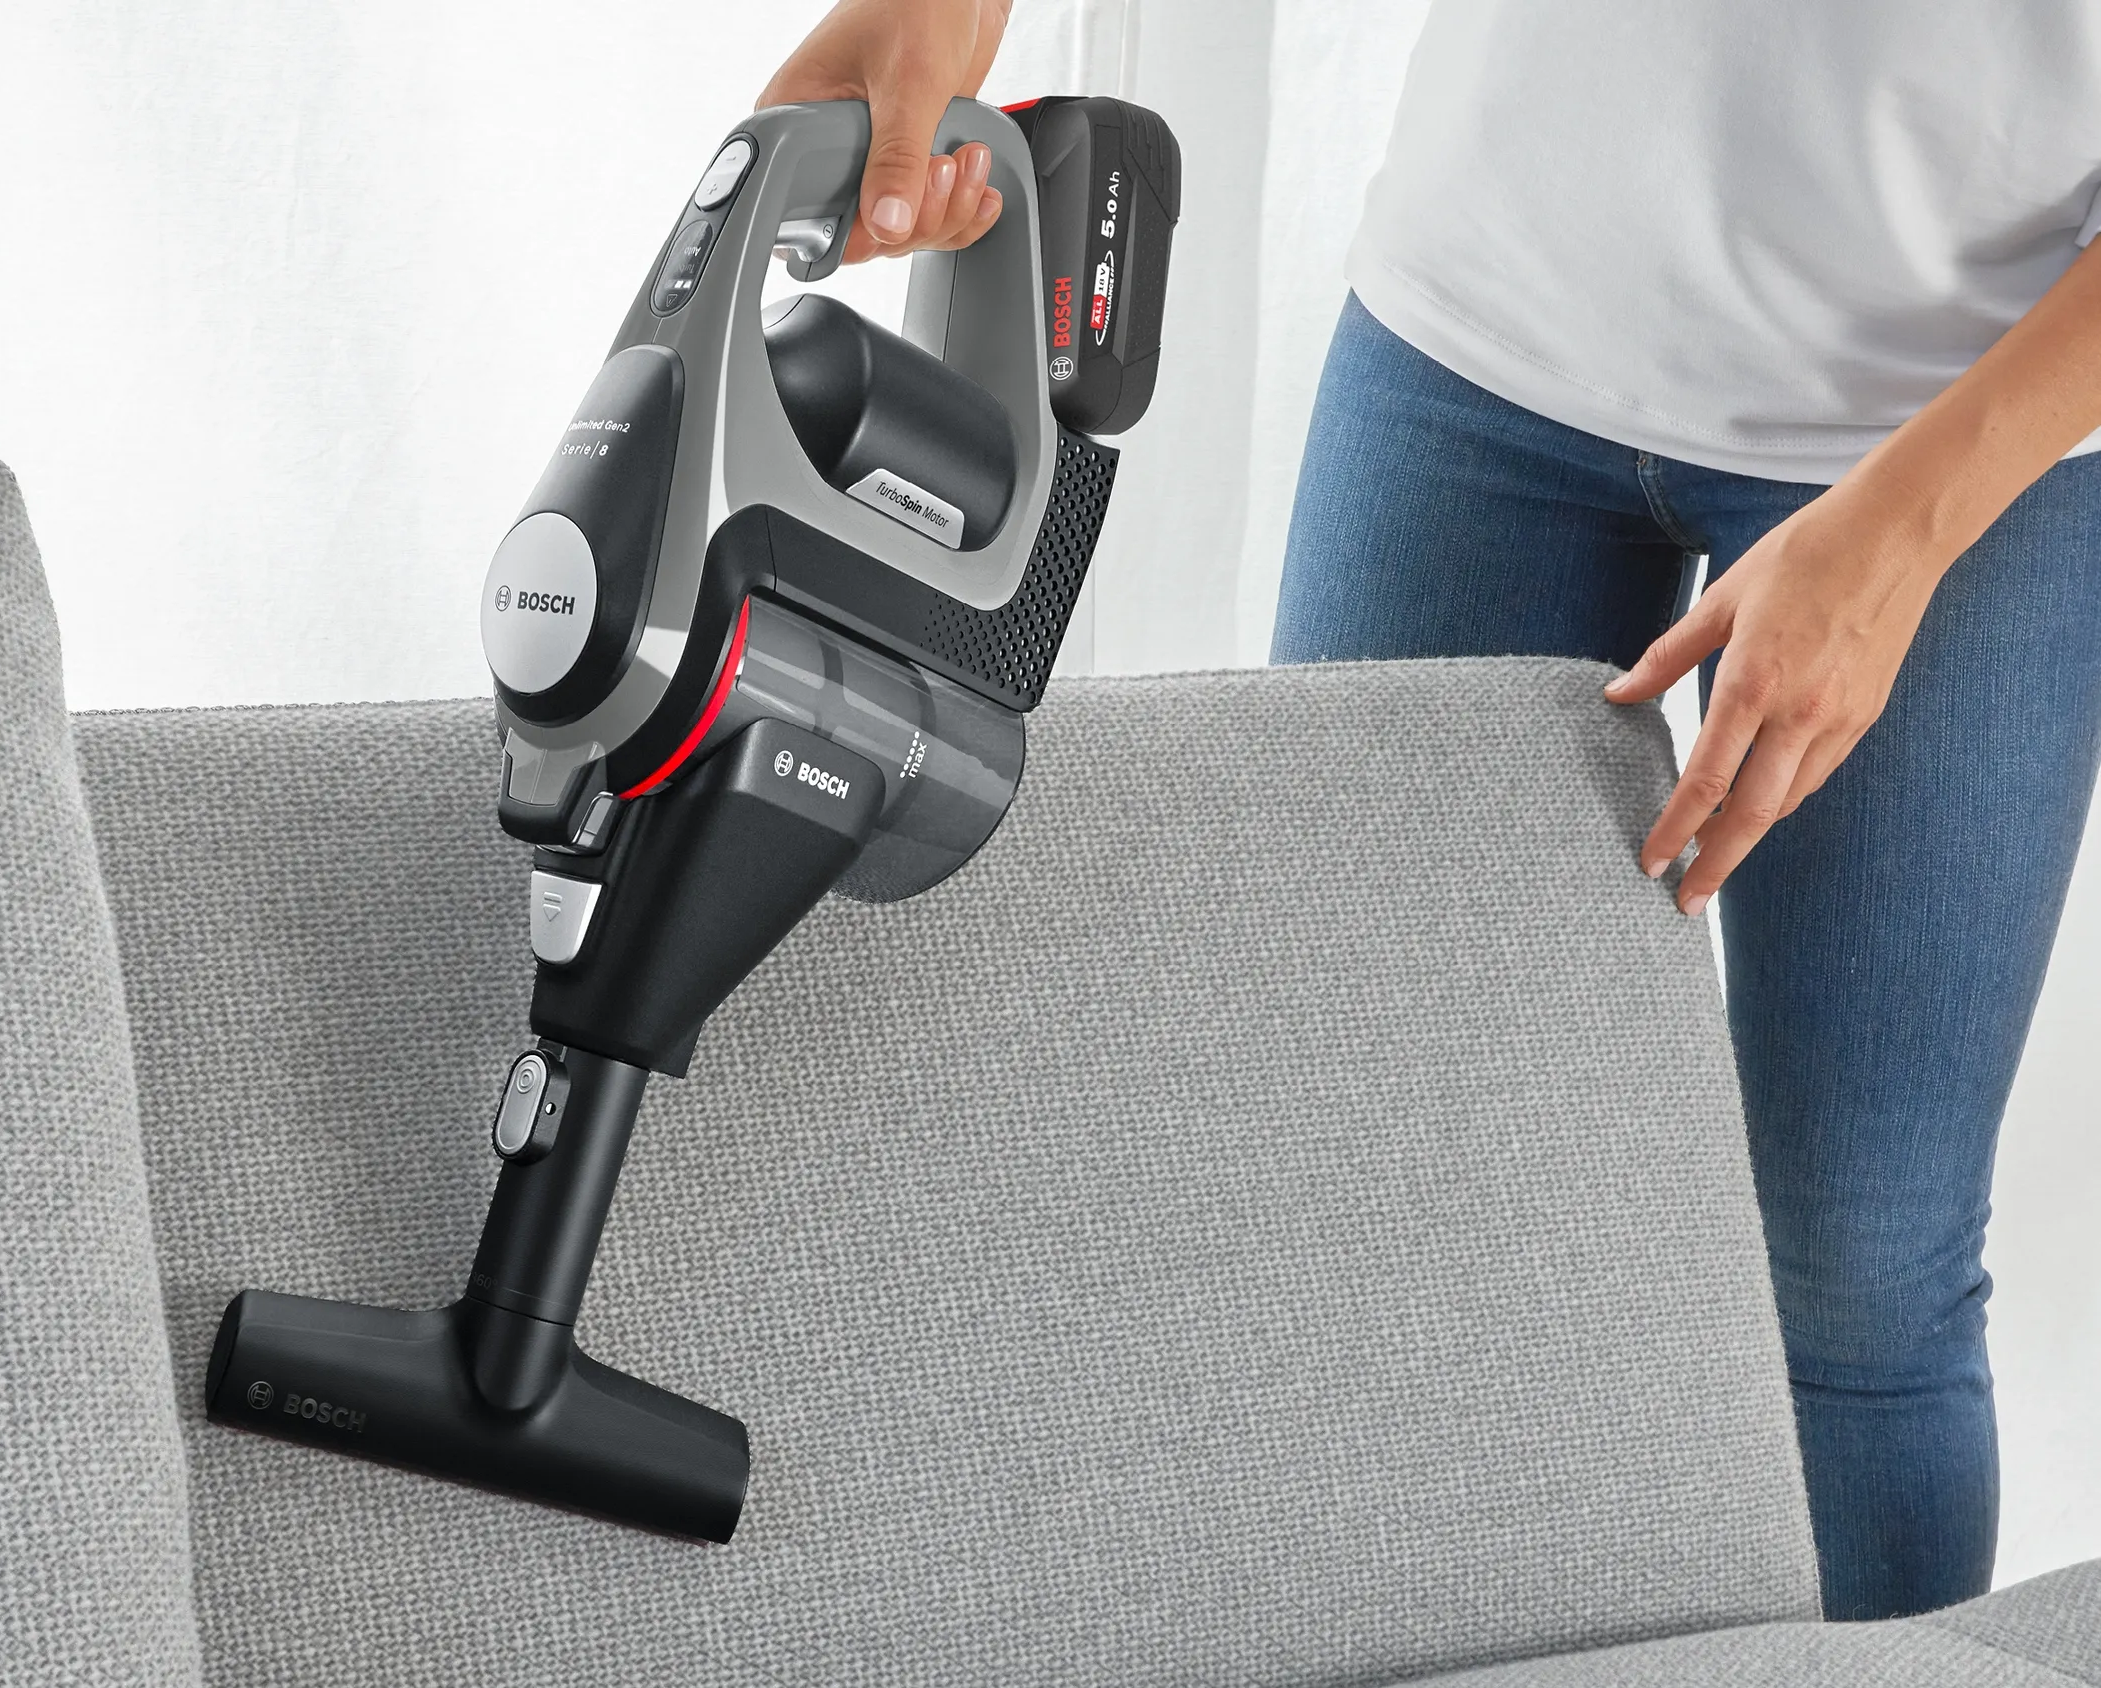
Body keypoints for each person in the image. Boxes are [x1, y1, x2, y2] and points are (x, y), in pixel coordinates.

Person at [762, 0, 2101, 1622]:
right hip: (1484, 340)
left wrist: (1903, 535)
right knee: (1353, 1180)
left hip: (1955, 435)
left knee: (1857, 1272)